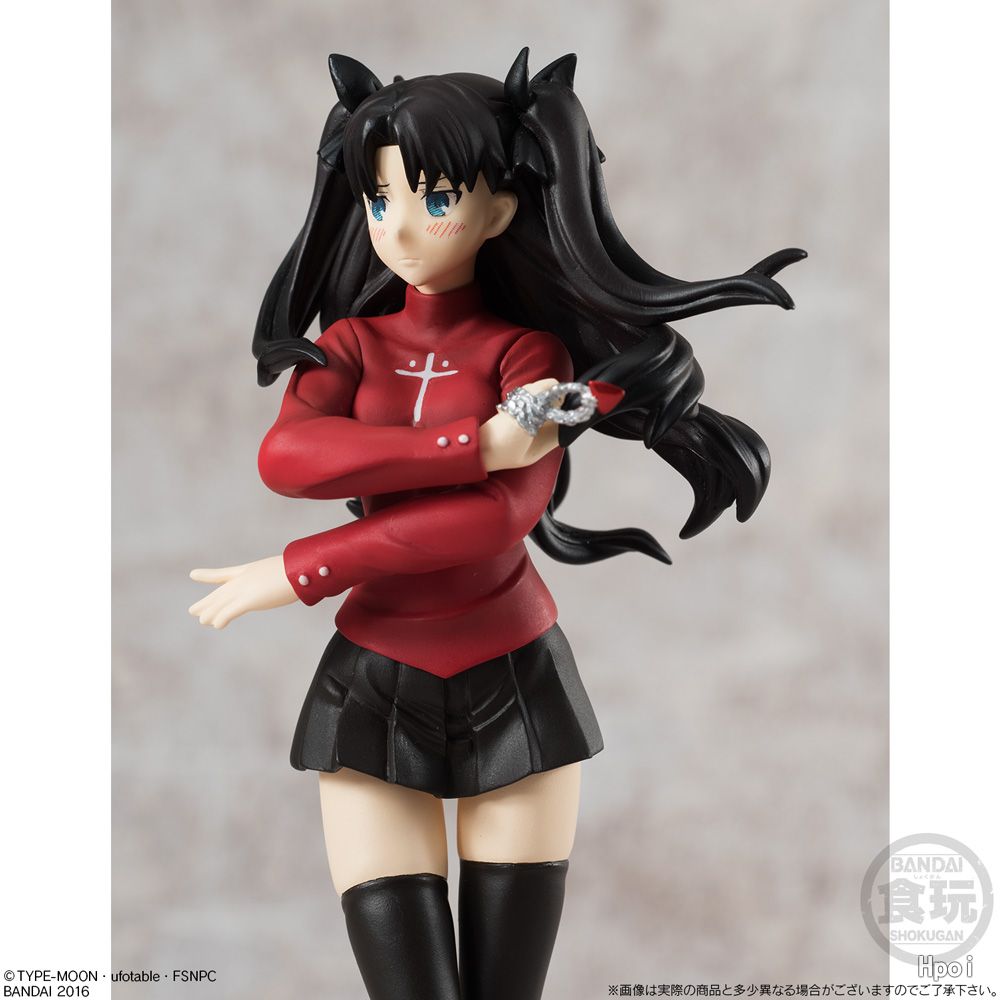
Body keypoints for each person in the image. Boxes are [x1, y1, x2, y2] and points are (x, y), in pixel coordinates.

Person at [189, 48, 804, 1000]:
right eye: (379, 200)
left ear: (501, 210)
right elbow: (289, 459)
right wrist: (470, 444)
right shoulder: (349, 345)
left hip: (516, 676)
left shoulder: (529, 355)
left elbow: (496, 518)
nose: (398, 228)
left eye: (434, 200)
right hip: (374, 676)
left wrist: (303, 568)